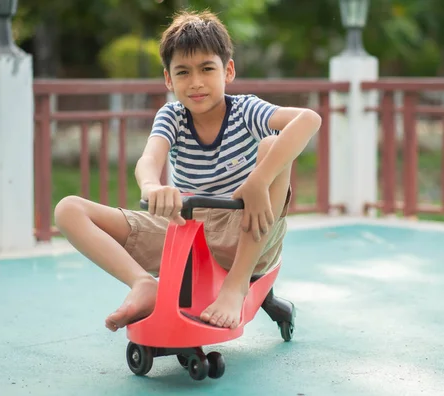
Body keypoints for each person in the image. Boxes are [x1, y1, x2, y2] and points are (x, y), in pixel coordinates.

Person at [54, 10, 321, 331]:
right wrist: (152, 187)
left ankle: (236, 285)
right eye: (183, 72)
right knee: (68, 209)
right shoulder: (172, 116)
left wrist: (258, 180)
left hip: (247, 228)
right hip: (186, 231)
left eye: (207, 69)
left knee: (270, 146)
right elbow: (149, 160)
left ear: (228, 71)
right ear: (168, 79)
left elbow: (308, 119)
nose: (196, 83)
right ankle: (142, 285)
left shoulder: (245, 110)